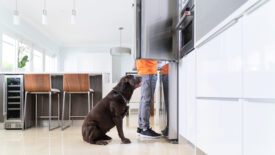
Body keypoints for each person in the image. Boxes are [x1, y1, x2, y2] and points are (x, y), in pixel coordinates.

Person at [136, 59, 161, 138]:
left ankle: (141, 127)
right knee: (147, 101)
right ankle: (145, 128)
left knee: (144, 100)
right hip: (149, 70)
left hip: (145, 70)